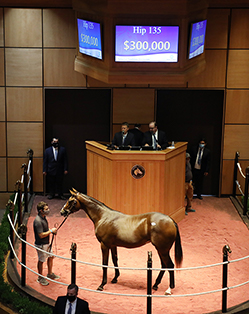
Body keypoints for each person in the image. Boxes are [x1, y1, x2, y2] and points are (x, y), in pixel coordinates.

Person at [33, 201, 59, 286]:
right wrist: (51, 231)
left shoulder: (43, 217)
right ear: (41, 210)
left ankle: (50, 273)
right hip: (41, 244)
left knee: (51, 257)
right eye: (46, 209)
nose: (48, 210)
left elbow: (46, 230)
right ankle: (40, 277)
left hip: (46, 243)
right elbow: (41, 235)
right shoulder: (38, 221)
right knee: (41, 260)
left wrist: (51, 231)